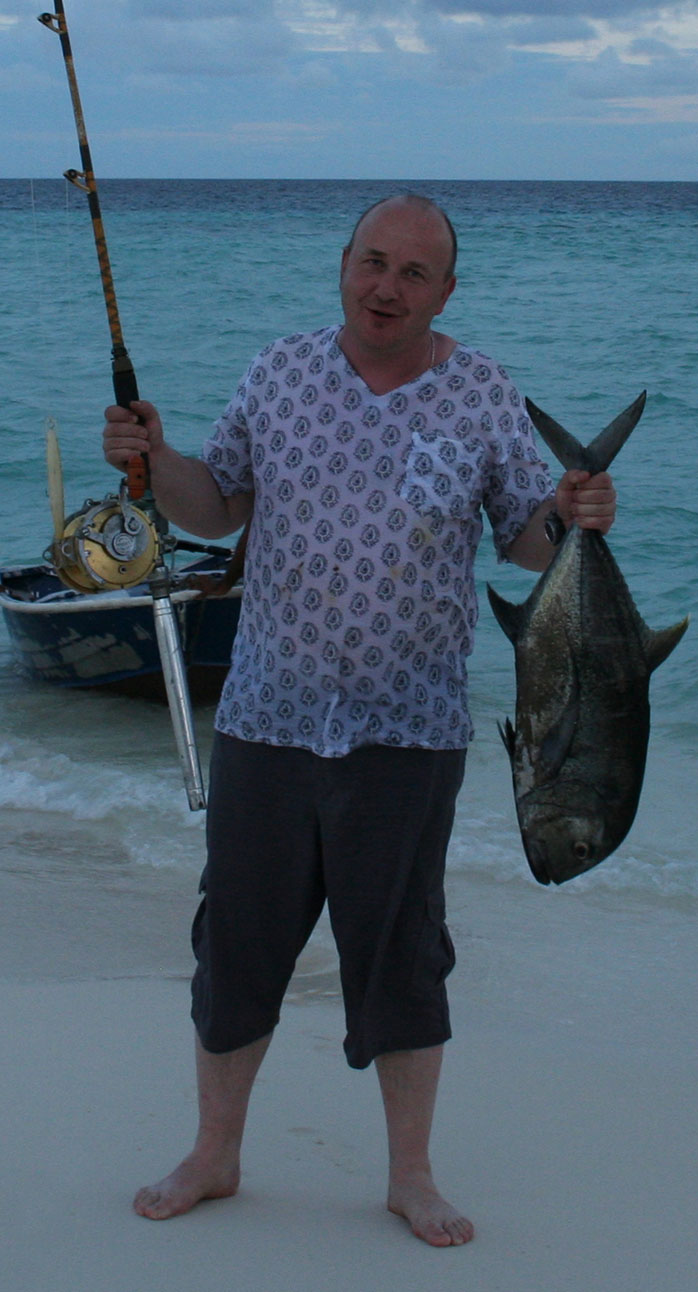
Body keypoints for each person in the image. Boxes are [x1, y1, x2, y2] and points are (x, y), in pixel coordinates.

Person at [102, 193, 616, 1247]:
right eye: (372, 263)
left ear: (445, 292)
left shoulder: (481, 390)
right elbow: (215, 506)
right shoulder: (280, 371)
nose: (387, 288)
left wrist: (572, 515)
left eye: (413, 273)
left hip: (408, 729)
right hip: (267, 716)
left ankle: (410, 1176)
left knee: (402, 953)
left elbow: (525, 541)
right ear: (343, 265)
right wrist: (157, 461)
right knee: (234, 941)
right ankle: (215, 1152)